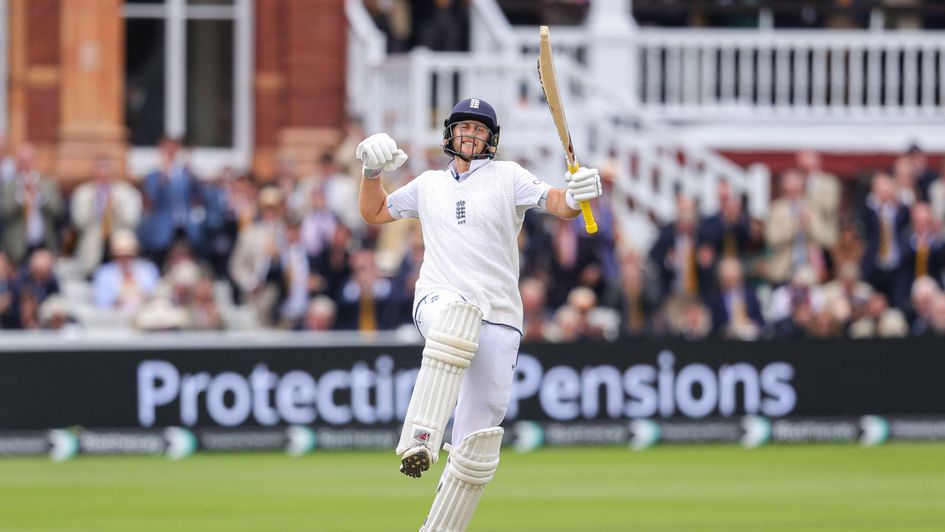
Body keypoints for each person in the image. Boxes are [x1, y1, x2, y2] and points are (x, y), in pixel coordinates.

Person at [355, 97, 602, 531]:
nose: (471, 135)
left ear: (492, 139)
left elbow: (558, 203)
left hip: (501, 315)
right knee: (455, 321)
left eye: (480, 130)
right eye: (464, 128)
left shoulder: (508, 177)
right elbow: (374, 211)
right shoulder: (428, 183)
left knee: (476, 447)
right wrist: (372, 173)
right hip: (438, 299)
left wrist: (579, 191)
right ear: (450, 134)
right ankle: (420, 439)